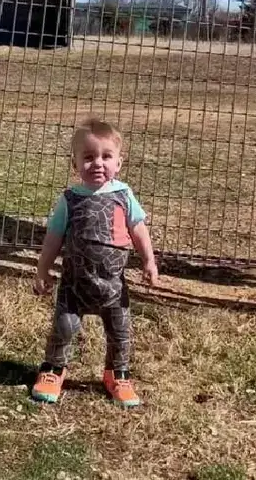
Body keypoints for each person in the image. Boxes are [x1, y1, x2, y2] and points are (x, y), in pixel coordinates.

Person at [31, 113, 159, 407]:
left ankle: (118, 375)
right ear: (75, 163)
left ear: (119, 163)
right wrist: (42, 269)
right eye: (88, 157)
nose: (97, 163)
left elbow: (139, 231)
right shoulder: (70, 198)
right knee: (63, 328)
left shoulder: (124, 196)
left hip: (113, 287)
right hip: (74, 285)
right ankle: (52, 370)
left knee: (120, 332)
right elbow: (53, 237)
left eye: (106, 156)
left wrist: (149, 262)